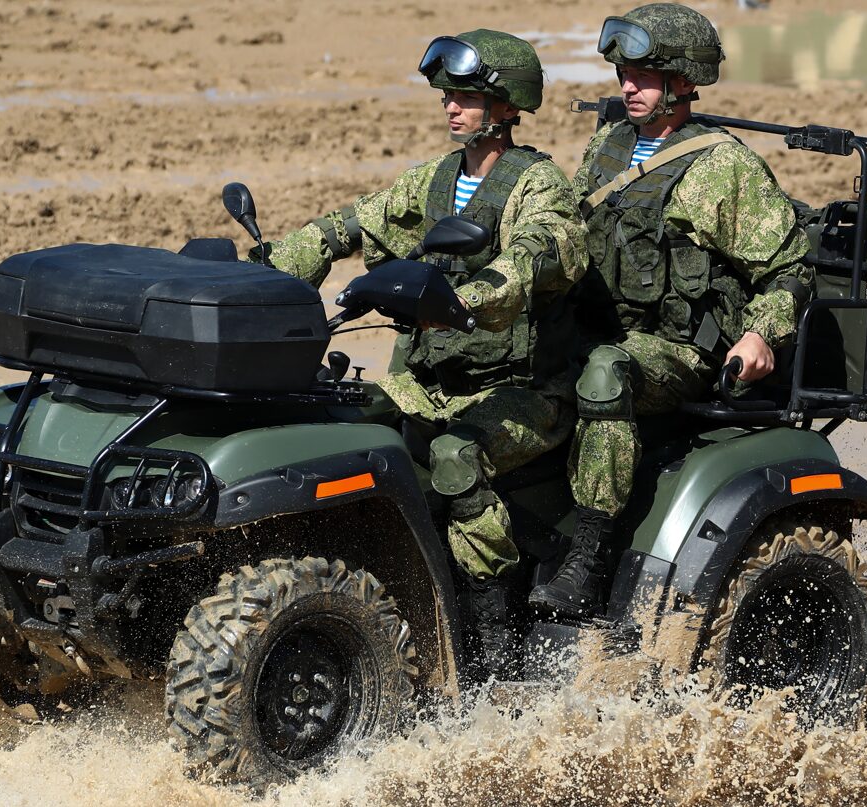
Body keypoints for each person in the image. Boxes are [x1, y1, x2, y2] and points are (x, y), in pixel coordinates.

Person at [254, 30, 587, 676]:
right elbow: (357, 221)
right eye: (447, 94)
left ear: (505, 105)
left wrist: (467, 299)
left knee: (455, 457)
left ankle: (493, 645)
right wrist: (275, 268)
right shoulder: (439, 181)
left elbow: (537, 257)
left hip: (524, 390)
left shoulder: (537, 186)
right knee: (350, 423)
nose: (449, 106)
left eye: (465, 95)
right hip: (434, 380)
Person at [528, 2, 814, 620]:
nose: (627, 86)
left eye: (644, 75)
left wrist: (761, 335)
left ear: (684, 81)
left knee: (606, 372)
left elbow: (789, 270)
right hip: (598, 332)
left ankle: (590, 554)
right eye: (623, 74)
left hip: (678, 353)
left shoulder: (721, 167)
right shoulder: (608, 146)